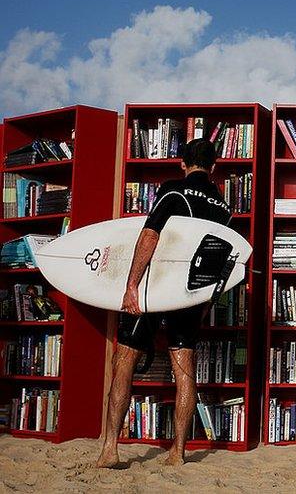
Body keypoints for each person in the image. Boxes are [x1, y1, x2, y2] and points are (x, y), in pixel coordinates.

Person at [96, 139, 232, 468]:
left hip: (154, 289)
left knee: (125, 360)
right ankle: (178, 453)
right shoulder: (223, 207)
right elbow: (219, 259)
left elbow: (149, 236)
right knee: (184, 370)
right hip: (187, 294)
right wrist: (201, 301)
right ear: (213, 168)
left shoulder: (173, 191)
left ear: (182, 163)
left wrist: (131, 285)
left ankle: (111, 448)